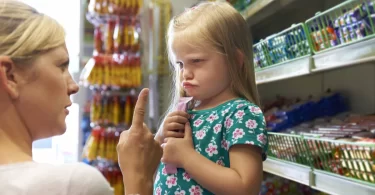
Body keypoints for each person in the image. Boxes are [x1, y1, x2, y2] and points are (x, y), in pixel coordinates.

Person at [0, 1, 161, 194]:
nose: (74, 86)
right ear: (10, 76)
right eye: (61, 66)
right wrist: (139, 177)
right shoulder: (71, 185)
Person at [154, 1, 268, 195]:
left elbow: (245, 188)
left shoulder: (241, 114)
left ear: (235, 60)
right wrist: (161, 136)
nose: (185, 74)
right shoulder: (187, 111)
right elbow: (151, 161)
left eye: (196, 61)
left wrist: (186, 157)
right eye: (180, 64)